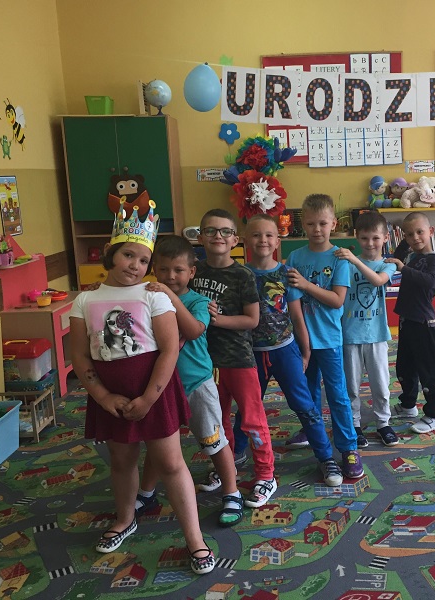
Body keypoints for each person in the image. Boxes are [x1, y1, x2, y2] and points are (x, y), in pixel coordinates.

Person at [68, 203, 215, 575]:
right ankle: (125, 518)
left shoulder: (155, 296)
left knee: (170, 463)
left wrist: (150, 397)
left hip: (154, 392)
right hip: (111, 396)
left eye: (143, 259)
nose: (135, 264)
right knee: (121, 461)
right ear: (110, 253)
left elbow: (169, 349)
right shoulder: (85, 300)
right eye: (128, 255)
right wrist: (103, 396)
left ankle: (195, 539)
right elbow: (80, 356)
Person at [138, 235, 242, 527]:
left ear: (191, 272)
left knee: (213, 441)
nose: (170, 276)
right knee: (159, 444)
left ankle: (231, 492)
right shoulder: (148, 298)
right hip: (160, 386)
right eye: (163, 269)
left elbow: (195, 330)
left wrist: (170, 298)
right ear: (154, 270)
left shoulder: (199, 301)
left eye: (178, 270)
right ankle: (146, 493)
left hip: (197, 383)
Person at [239, 214, 344, 486]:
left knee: (305, 406)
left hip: (286, 351)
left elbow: (297, 317)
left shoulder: (287, 274)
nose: (263, 240)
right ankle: (235, 455)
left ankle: (325, 457)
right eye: (256, 235)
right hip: (251, 355)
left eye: (269, 235)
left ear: (277, 240)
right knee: (247, 407)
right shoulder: (241, 275)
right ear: (245, 240)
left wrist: (305, 352)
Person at [190, 208, 277, 508]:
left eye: (225, 231)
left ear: (235, 240)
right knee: (217, 420)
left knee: (252, 419)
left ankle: (266, 475)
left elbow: (252, 320)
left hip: (239, 359)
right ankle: (225, 469)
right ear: (200, 237)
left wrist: (216, 320)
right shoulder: (193, 271)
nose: (218, 236)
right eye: (211, 231)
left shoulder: (243, 275)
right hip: (205, 361)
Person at [285, 194, 363, 479]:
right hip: (301, 339)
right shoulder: (295, 257)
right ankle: (312, 432)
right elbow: (291, 299)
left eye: (322, 223)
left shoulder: (339, 257)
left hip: (329, 339)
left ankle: (349, 448)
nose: (316, 229)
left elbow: (337, 300)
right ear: (303, 225)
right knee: (308, 394)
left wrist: (306, 285)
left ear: (333, 224)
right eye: (310, 224)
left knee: (338, 395)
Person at [335, 211, 399, 448]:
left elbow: (378, 280)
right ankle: (354, 424)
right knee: (351, 385)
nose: (370, 243)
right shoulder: (346, 263)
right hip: (349, 335)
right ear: (356, 236)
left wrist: (354, 260)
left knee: (380, 384)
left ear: (385, 238)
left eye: (375, 238)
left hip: (376, 335)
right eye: (364, 238)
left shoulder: (387, 265)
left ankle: (383, 423)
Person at [385, 211, 435, 433]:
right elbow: (398, 254)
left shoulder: (434, 259)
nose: (415, 238)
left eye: (420, 232)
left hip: (423, 323)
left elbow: (431, 282)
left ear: (431, 232)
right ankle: (408, 405)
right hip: (407, 320)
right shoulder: (413, 256)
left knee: (428, 370)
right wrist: (405, 241)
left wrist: (404, 269)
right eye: (409, 234)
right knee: (405, 366)